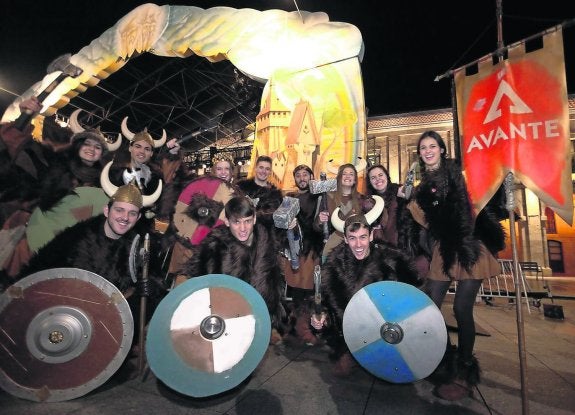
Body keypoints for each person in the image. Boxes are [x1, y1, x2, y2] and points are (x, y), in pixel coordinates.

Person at [399, 130, 506, 401]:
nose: (427, 151)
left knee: (461, 309)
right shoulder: (423, 187)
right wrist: (410, 201)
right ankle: (445, 358)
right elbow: (429, 221)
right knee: (430, 307)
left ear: (442, 150)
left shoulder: (458, 175)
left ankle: (463, 372)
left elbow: (473, 202)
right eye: (423, 148)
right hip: (442, 249)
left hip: (469, 246)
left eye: (432, 146)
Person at [15, 175, 165, 350]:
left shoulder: (139, 243)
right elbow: (38, 269)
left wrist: (149, 286)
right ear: (107, 211)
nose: (125, 217)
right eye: (119, 210)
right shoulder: (77, 237)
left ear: (138, 218)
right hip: (62, 313)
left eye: (132, 213)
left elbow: (154, 276)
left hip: (106, 317)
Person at [310, 207, 421, 377]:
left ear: (370, 236)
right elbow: (324, 302)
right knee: (344, 370)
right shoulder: (334, 267)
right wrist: (321, 317)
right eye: (352, 238)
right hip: (350, 333)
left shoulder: (392, 260)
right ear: (345, 239)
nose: (358, 244)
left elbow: (414, 295)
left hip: (387, 328)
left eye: (363, 237)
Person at [180, 195, 285, 344]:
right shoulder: (215, 247)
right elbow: (200, 284)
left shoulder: (266, 238)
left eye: (247, 221)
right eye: (236, 222)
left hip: (260, 314)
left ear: (254, 219)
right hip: (226, 320)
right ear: (227, 222)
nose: (243, 228)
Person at [280, 164, 324, 346]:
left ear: (311, 176)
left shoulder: (319, 197)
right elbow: (281, 221)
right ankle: (299, 329)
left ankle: (311, 328)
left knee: (314, 290)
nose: (302, 177)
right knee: (297, 290)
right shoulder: (289, 198)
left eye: (305, 174)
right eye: (298, 175)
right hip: (295, 249)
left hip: (313, 249)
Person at [366, 164, 431, 279]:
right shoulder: (369, 202)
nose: (378, 179)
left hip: (408, 250)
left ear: (387, 176)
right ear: (370, 182)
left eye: (380, 175)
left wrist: (406, 197)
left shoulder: (400, 190)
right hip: (384, 255)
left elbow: (419, 206)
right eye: (373, 177)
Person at [314, 163, 370, 261]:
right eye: (344, 173)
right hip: (334, 245)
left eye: (351, 174)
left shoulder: (362, 199)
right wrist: (319, 220)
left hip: (357, 245)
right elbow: (316, 228)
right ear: (339, 178)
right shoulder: (327, 197)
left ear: (355, 180)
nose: (348, 176)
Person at [236, 155, 283, 227]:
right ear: (255, 168)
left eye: (267, 169)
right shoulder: (241, 188)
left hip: (268, 235)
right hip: (245, 233)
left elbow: (279, 220)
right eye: (261, 167)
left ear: (270, 171)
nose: (263, 171)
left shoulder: (276, 195)